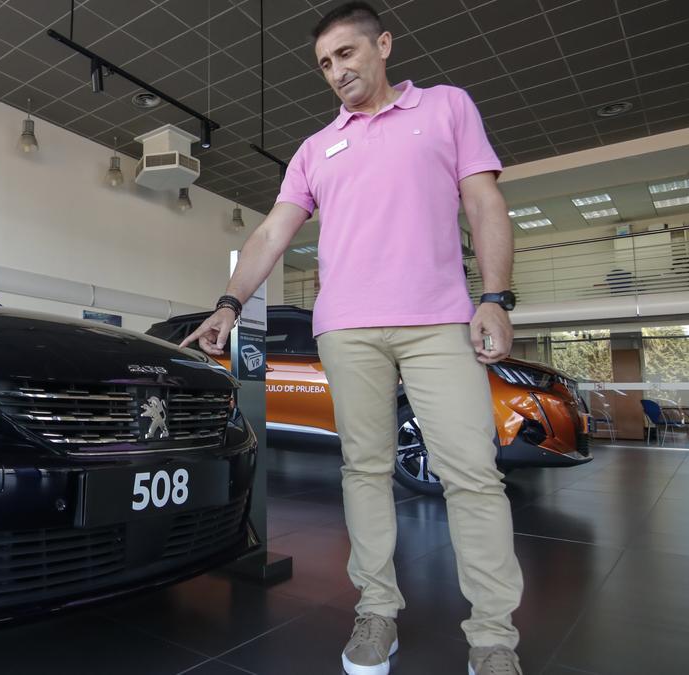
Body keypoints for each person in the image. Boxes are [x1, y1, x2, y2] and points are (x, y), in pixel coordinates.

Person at [180, 3, 524, 674]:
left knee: (473, 475)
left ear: (383, 44)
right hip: (347, 329)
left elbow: (484, 202)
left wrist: (495, 297)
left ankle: (493, 636)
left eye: (346, 53)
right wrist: (228, 302)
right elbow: (272, 232)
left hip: (439, 321)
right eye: (325, 63)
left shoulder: (446, 108)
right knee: (363, 472)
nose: (337, 70)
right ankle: (375, 610)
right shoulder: (315, 149)